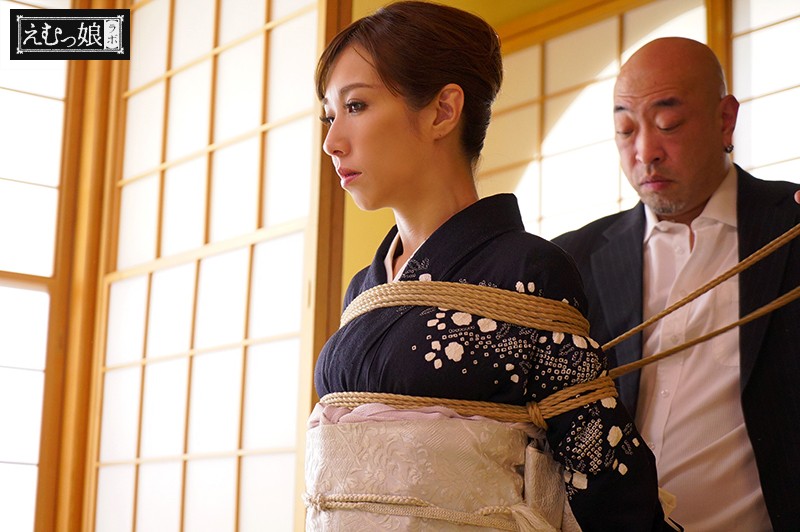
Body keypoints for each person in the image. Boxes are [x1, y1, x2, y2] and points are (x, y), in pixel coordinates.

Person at [305, 2, 676, 531]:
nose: (331, 141)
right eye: (330, 115)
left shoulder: (527, 271)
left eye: (356, 105)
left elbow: (599, 466)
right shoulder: (366, 290)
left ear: (442, 110)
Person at [553, 37, 800, 531]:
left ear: (725, 120)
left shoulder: (791, 229)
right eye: (625, 130)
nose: (645, 151)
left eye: (668, 124)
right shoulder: (570, 261)